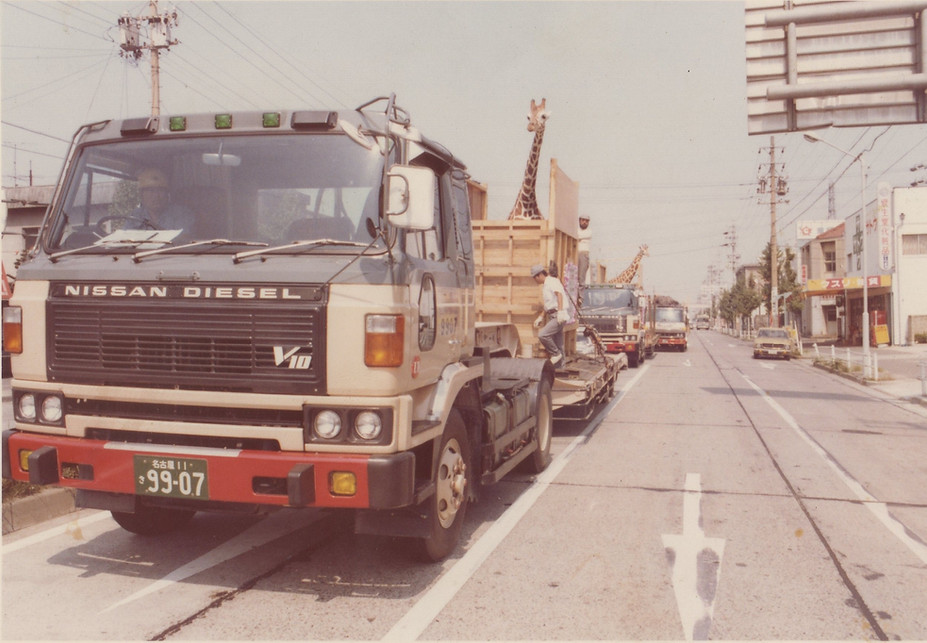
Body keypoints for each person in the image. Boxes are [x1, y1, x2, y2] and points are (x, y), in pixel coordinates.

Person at [531, 263, 569, 368]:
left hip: (558, 315)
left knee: (543, 335)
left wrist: (560, 312)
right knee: (559, 344)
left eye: (535, 278)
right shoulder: (546, 284)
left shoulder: (551, 281)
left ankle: (555, 354)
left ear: (539, 275)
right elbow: (549, 305)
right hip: (554, 314)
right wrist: (541, 317)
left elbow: (559, 295)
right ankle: (561, 369)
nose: (535, 281)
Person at [577, 215, 591, 305]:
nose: (584, 222)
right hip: (575, 253)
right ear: (579, 221)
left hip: (583, 254)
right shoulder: (576, 230)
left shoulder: (589, 232)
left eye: (586, 221)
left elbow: (579, 236)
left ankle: (581, 298)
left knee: (581, 278)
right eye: (583, 220)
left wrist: (578, 238)